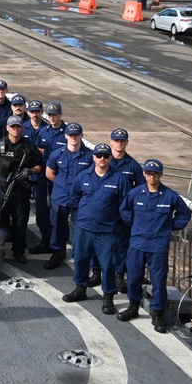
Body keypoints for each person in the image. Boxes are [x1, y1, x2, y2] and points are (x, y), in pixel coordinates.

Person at [116, 159, 191, 333]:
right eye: (149, 173)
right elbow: (124, 210)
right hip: (138, 243)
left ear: (161, 175)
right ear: (144, 174)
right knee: (134, 277)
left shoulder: (170, 195)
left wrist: (170, 226)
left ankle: (157, 313)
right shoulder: (136, 193)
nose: (152, 176)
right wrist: (134, 225)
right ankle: (133, 306)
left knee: (158, 281)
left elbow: (183, 214)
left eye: (155, 173)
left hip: (158, 244)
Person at [63, 144, 131, 315]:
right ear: (93, 157)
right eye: (98, 155)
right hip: (84, 228)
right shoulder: (83, 176)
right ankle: (80, 288)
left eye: (105, 156)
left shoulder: (120, 179)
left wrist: (117, 223)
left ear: (110, 158)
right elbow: (74, 197)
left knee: (108, 265)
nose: (102, 159)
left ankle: (108, 296)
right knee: (80, 258)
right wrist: (79, 219)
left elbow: (126, 205)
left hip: (107, 231)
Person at [0, 115, 43, 263]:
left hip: (21, 190)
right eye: (13, 126)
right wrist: (0, 177)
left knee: (20, 221)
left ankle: (19, 251)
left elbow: (40, 166)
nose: (16, 129)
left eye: (18, 126)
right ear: (7, 128)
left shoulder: (29, 146)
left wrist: (30, 171)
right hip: (2, 188)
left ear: (22, 128)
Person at [44, 122, 93, 270]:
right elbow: (49, 173)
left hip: (80, 199)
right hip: (60, 196)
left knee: (81, 228)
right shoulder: (57, 154)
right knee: (57, 225)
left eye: (76, 135)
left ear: (81, 136)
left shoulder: (90, 156)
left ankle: (81, 256)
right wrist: (62, 185)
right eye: (71, 135)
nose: (73, 138)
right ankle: (57, 252)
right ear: (66, 136)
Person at [108, 127, 145, 290]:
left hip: (124, 212)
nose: (119, 143)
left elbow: (142, 187)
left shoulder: (133, 165)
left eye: (122, 140)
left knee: (122, 245)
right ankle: (97, 272)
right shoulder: (103, 159)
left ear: (127, 143)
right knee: (102, 242)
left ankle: (119, 275)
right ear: (111, 142)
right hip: (106, 209)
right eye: (116, 140)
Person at [24, 100, 53, 253]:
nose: (34, 114)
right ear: (28, 112)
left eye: (37, 111)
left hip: (42, 176)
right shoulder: (22, 128)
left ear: (42, 112)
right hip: (24, 175)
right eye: (32, 111)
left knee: (42, 210)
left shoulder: (47, 130)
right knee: (21, 209)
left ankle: (45, 239)